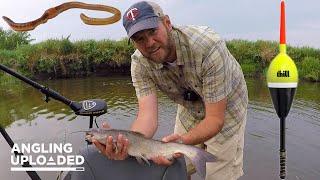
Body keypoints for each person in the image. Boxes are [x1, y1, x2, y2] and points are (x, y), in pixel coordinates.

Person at [93, 1, 248, 180]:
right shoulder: (139, 64)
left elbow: (215, 119)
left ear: (167, 23)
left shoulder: (208, 47)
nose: (149, 43)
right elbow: (147, 118)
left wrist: (180, 142)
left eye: (152, 31)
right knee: (176, 171)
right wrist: (127, 146)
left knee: (218, 174)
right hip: (189, 107)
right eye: (140, 39)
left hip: (227, 109)